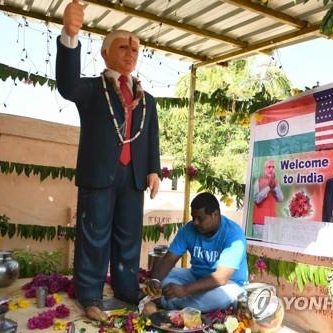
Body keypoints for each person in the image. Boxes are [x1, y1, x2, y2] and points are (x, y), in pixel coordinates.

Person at [56, 0, 161, 320]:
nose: (130, 54)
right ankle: (89, 293)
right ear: (105, 53)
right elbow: (66, 85)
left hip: (133, 178)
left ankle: (126, 287)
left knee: (129, 235)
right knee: (94, 236)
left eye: (135, 50)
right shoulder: (90, 89)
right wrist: (70, 37)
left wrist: (154, 170)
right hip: (99, 174)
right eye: (122, 47)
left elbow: (151, 137)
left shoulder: (148, 99)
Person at [144, 192, 248, 313]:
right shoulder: (189, 229)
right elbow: (169, 259)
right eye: (193, 218)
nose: (195, 223)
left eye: (200, 218)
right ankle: (184, 302)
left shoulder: (234, 235)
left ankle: (164, 302)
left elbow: (220, 278)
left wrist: (184, 290)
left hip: (229, 284)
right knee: (165, 275)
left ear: (215, 214)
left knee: (221, 297)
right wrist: (155, 282)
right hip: (195, 277)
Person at [252, 160, 283, 238]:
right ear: (264, 169)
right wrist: (269, 187)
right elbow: (256, 199)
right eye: (269, 167)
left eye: (273, 167)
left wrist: (275, 187)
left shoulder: (275, 182)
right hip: (260, 223)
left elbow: (280, 199)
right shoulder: (258, 181)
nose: (271, 169)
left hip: (272, 222)